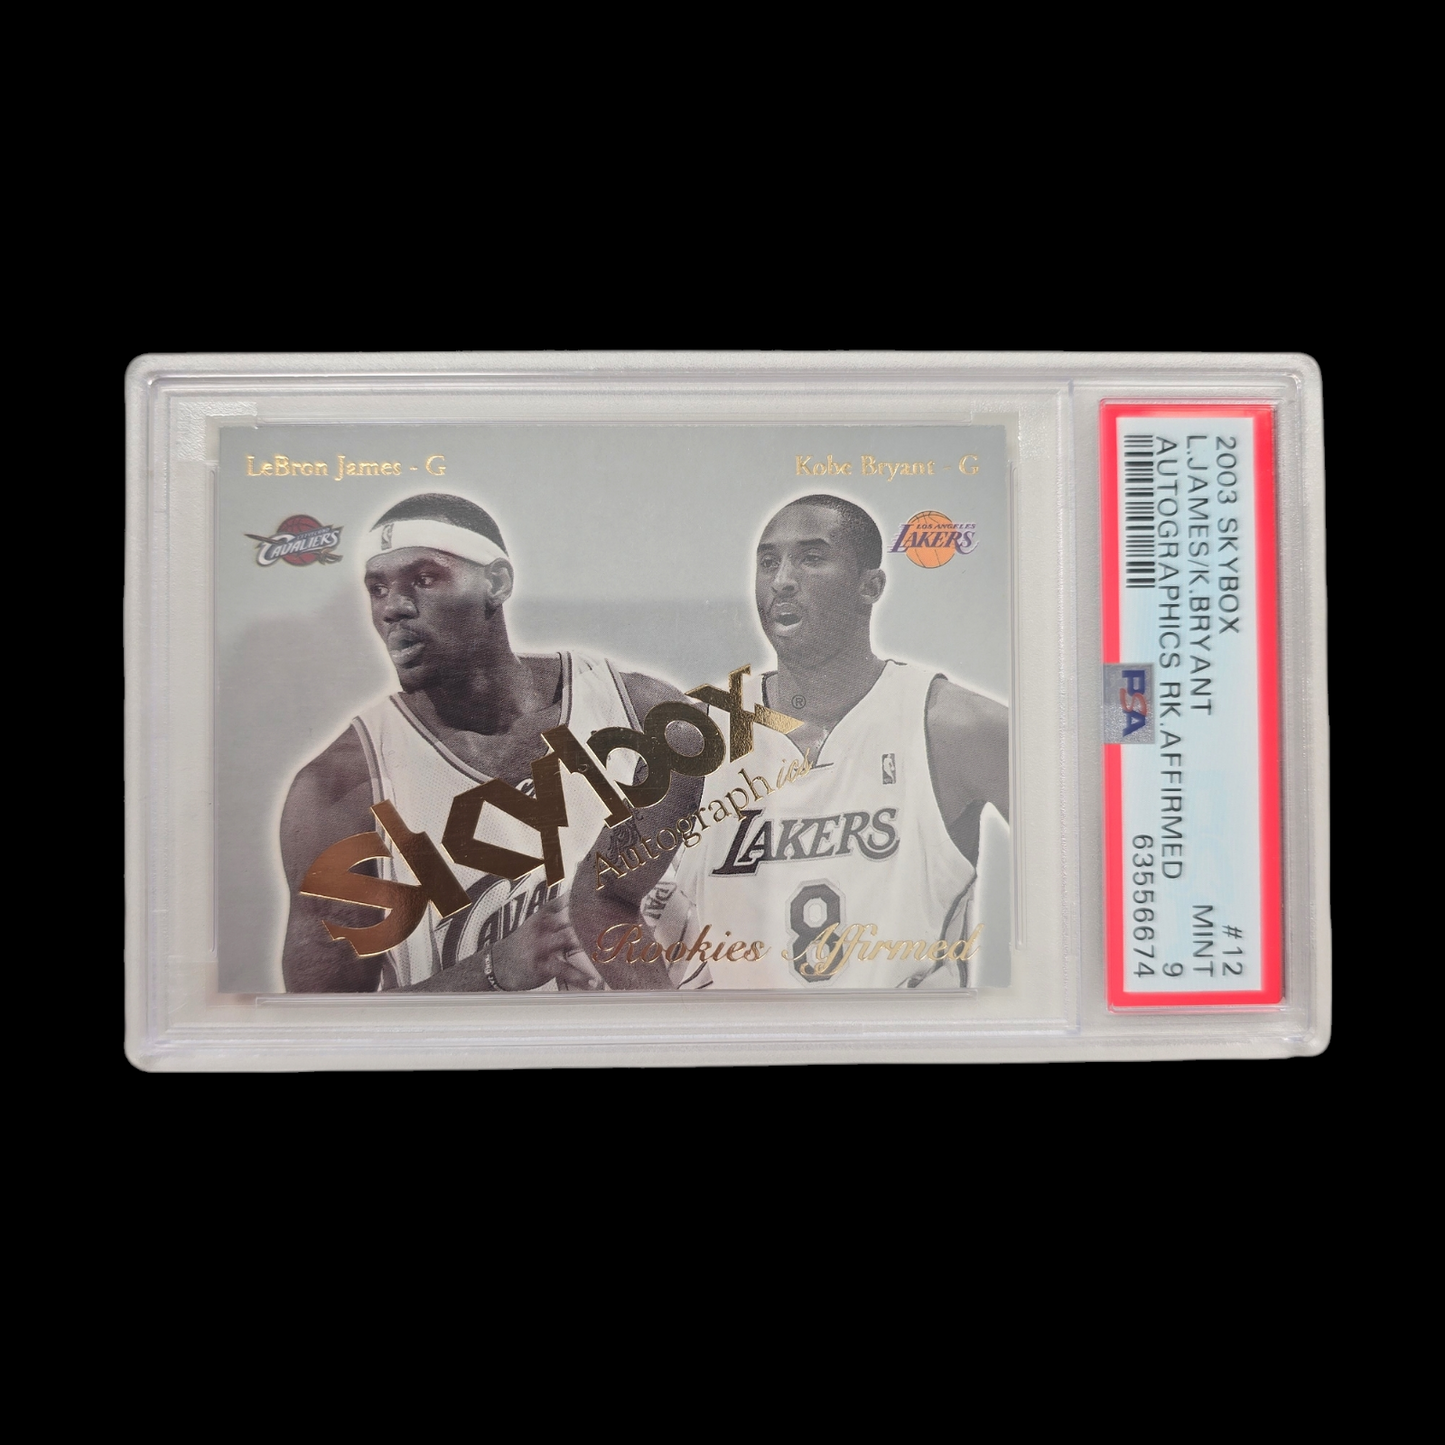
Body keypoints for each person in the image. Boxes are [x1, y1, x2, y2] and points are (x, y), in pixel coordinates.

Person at [279, 492, 702, 993]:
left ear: (496, 583)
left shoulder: (640, 713)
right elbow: (326, 1026)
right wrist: (494, 969)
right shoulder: (339, 791)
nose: (394, 607)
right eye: (378, 589)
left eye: (425, 578)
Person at [642, 493, 1009, 989]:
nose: (782, 580)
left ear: (870, 587)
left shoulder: (950, 726)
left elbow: (1085, 864)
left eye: (811, 558)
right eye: (768, 563)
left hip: (898, 1034)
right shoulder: (699, 733)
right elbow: (602, 900)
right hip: (741, 1033)